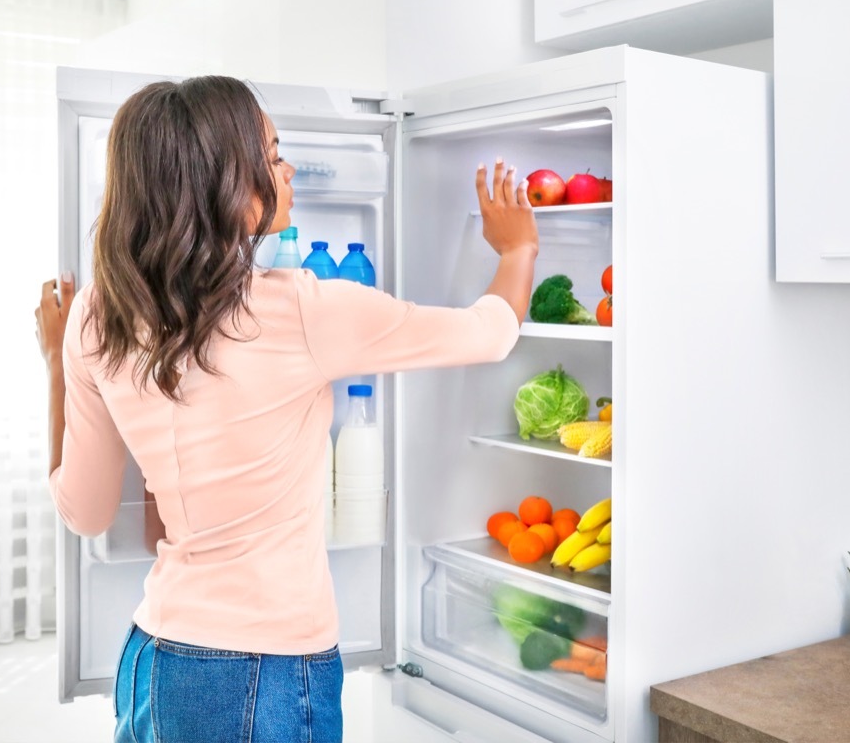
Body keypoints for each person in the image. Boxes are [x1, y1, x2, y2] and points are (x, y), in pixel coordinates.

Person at [34, 75, 538, 743]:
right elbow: (491, 332)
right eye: (271, 156)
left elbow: (86, 512)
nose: (288, 168)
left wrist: (54, 368)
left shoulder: (94, 316)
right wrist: (519, 249)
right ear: (229, 191)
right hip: (259, 674)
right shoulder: (298, 308)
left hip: (153, 658)